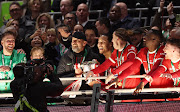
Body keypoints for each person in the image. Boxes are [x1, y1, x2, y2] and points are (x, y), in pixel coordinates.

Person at [10, 47, 63, 111]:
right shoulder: (41, 87)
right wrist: (51, 74)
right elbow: (59, 89)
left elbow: (19, 77)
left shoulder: (14, 84)